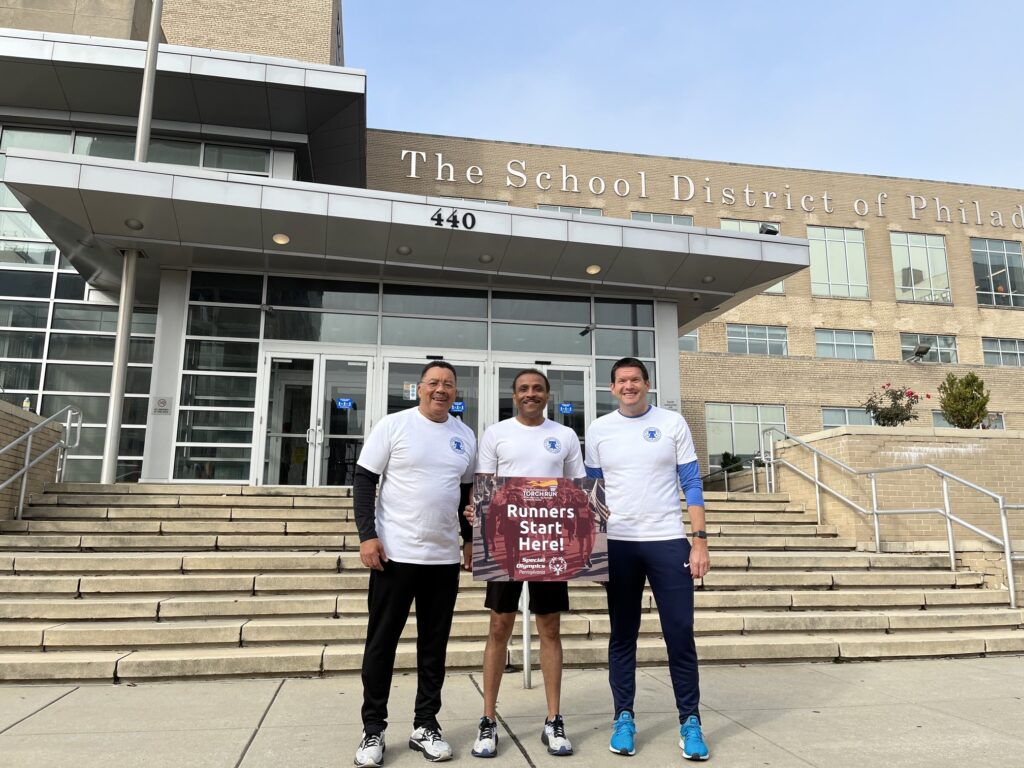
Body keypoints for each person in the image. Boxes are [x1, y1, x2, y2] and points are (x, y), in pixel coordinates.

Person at [584, 357, 711, 761]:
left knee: (679, 632)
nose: (629, 386)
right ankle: (623, 717)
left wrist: (700, 540)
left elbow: (690, 481)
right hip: (619, 544)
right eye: (621, 381)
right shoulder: (599, 428)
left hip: (667, 540)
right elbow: (593, 492)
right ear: (612, 388)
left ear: (647, 384)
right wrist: (593, 548)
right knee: (623, 634)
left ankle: (690, 720)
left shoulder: (673, 423)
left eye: (635, 379)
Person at [352, 361, 476, 767]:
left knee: (433, 646)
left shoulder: (464, 436)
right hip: (395, 555)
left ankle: (426, 724)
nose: (441, 390)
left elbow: (465, 498)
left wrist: (470, 540)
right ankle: (374, 729)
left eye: (449, 385)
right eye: (434, 383)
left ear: (456, 393)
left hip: (442, 559)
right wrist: (367, 535)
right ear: (419, 388)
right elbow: (365, 479)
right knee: (382, 643)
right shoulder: (394, 425)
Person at [467, 369, 585, 758]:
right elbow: (484, 487)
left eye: (537, 388)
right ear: (514, 395)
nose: (530, 394)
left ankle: (553, 720)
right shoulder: (495, 433)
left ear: (548, 394)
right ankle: (488, 720)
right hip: (506, 541)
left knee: (549, 627)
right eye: (523, 389)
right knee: (499, 625)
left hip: (548, 543)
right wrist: (475, 513)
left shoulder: (565, 436)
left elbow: (577, 491)